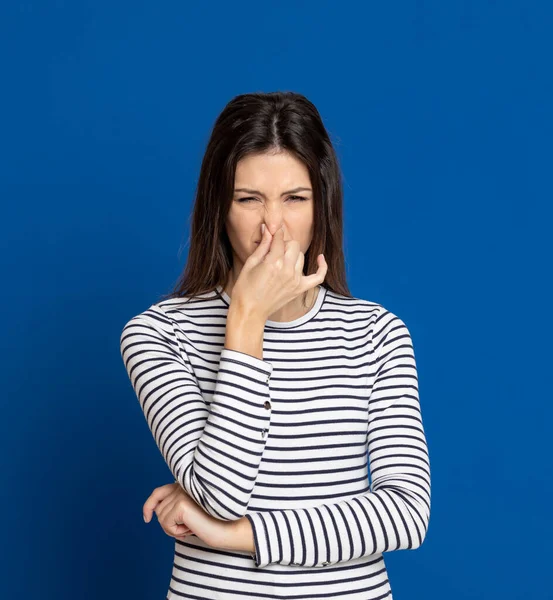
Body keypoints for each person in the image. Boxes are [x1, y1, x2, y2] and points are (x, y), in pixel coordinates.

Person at [119, 91, 431, 599]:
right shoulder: (158, 335)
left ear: (321, 203)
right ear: (218, 208)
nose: (273, 226)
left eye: (295, 198)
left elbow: (405, 514)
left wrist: (235, 536)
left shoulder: (376, 334)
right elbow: (220, 493)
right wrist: (246, 318)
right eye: (248, 199)